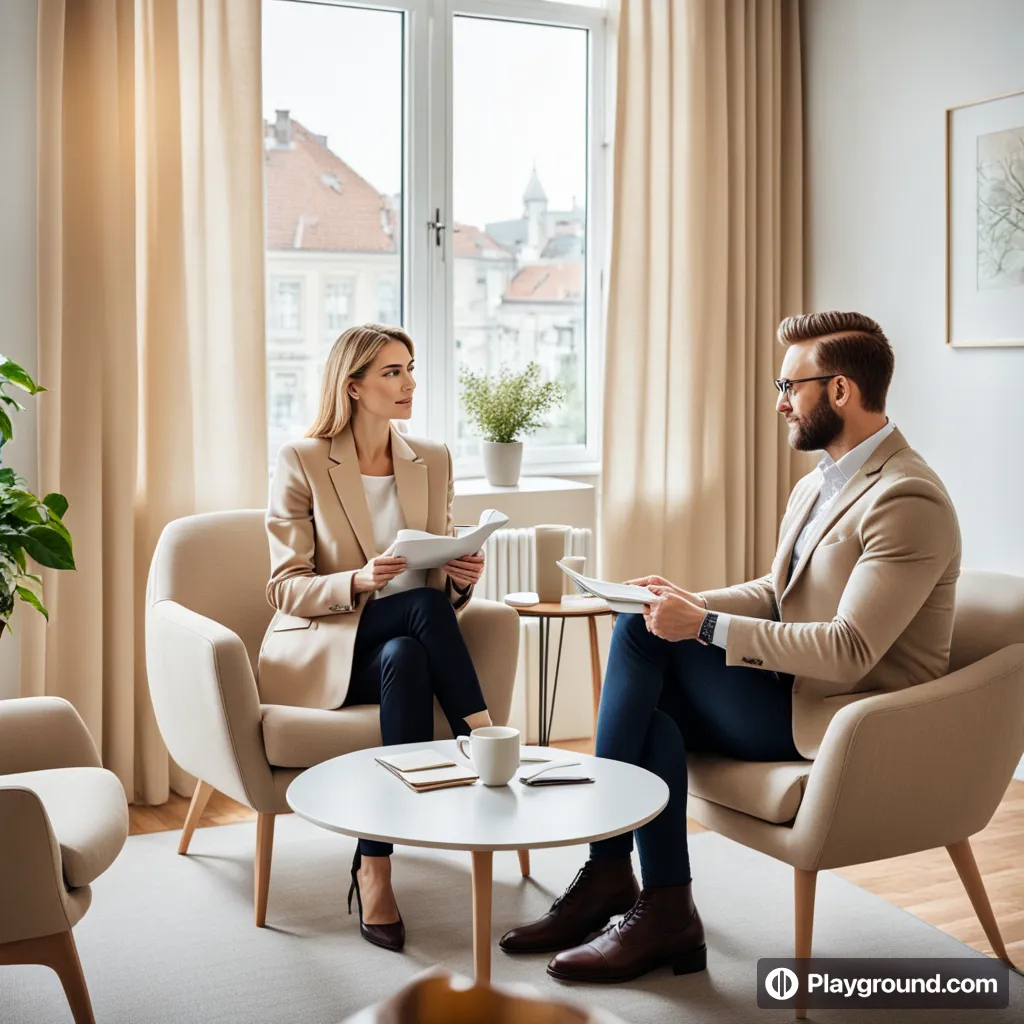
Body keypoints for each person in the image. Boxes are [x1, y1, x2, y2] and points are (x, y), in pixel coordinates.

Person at [500, 310, 962, 983]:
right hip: (790, 691)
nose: (779, 403)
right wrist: (690, 601)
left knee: (638, 632)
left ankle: (609, 873)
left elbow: (850, 650)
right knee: (649, 663)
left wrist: (703, 626)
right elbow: (779, 592)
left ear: (840, 391)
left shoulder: (907, 497)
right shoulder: (820, 483)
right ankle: (662, 910)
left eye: (790, 385)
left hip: (849, 721)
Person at [259, 323, 491, 954]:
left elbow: (439, 585)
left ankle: (375, 865)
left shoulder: (432, 458)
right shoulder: (303, 460)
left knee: (410, 647)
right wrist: (357, 580)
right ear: (353, 385)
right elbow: (284, 588)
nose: (409, 383)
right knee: (415, 611)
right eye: (392, 372)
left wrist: (462, 577)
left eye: (410, 368)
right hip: (331, 649)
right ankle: (486, 740)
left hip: (404, 647)